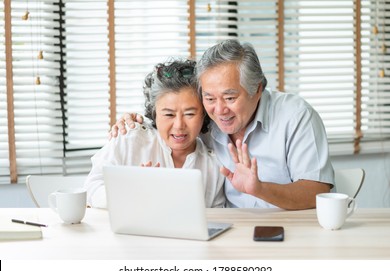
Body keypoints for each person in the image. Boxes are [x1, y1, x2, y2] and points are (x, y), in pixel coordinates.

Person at [110, 39, 334, 210]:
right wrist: (132, 120)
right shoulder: (205, 121)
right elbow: (174, 116)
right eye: (209, 98)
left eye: (229, 98)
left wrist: (260, 189)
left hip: (294, 231)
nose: (219, 110)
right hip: (231, 236)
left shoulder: (295, 115)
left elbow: (318, 192)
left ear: (257, 90)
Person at [84, 59, 225, 209]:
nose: (179, 125)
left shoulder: (213, 164)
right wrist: (132, 191)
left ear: (204, 113)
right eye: (169, 115)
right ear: (154, 113)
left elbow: (217, 218)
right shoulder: (130, 139)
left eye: (189, 114)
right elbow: (91, 188)